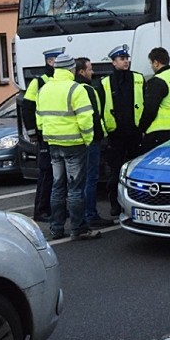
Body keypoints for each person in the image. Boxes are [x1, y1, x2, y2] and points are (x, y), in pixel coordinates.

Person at [36, 53, 101, 241]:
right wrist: (88, 139)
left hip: (53, 143)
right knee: (75, 188)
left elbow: (40, 117)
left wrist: (47, 134)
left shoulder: (45, 89)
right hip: (74, 144)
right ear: (71, 69)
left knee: (57, 186)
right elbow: (86, 118)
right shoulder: (76, 89)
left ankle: (56, 228)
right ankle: (78, 228)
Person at [99, 44, 144, 217]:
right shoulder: (105, 83)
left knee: (135, 170)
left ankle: (137, 201)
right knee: (115, 171)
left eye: (127, 58)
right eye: (122, 59)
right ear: (113, 62)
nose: (126, 61)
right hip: (115, 134)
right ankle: (115, 204)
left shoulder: (138, 79)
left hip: (134, 132)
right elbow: (101, 109)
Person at [20, 47, 63, 222]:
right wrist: (32, 132)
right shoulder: (39, 82)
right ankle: (41, 210)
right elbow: (27, 107)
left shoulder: (59, 81)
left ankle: (55, 208)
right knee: (47, 174)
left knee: (57, 175)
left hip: (58, 133)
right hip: (44, 134)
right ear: (50, 62)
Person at [75, 56, 113, 228]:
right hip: (90, 140)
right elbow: (93, 117)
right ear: (82, 71)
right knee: (91, 179)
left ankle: (79, 216)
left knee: (76, 181)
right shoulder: (88, 90)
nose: (93, 72)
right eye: (90, 69)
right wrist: (100, 136)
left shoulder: (72, 88)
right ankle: (90, 214)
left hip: (73, 142)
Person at [139, 47, 170, 153]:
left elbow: (150, 109)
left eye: (151, 63)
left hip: (161, 132)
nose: (152, 66)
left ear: (156, 63)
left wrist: (141, 128)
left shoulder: (157, 80)